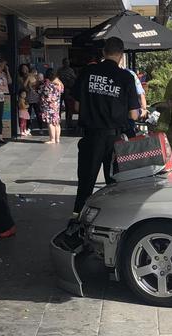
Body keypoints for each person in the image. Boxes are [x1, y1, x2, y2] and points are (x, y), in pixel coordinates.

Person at [71, 37, 140, 216]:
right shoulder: (126, 77)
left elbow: (77, 106)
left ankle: (77, 223)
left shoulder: (88, 72)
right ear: (121, 55)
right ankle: (113, 221)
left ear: (103, 52)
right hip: (116, 141)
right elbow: (133, 114)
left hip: (91, 137)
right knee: (116, 186)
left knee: (85, 186)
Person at [39, 68, 64, 144]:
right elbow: (62, 91)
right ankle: (57, 139)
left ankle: (52, 139)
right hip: (56, 105)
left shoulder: (48, 85)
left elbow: (42, 92)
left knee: (50, 122)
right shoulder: (59, 83)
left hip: (49, 106)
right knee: (56, 122)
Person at [121, 66, 148, 138]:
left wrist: (144, 108)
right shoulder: (129, 74)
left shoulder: (98, 72)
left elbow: (141, 94)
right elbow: (141, 94)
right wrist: (143, 110)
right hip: (126, 121)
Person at [57, 58, 77, 126]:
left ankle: (69, 120)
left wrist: (69, 79)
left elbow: (74, 78)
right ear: (63, 63)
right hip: (60, 89)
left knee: (68, 106)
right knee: (59, 105)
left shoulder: (71, 70)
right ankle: (58, 118)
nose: (67, 64)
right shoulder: (60, 70)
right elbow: (57, 78)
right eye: (65, 62)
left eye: (67, 62)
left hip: (68, 89)